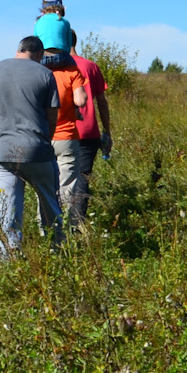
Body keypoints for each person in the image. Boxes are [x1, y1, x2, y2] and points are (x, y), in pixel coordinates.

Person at [0, 35, 64, 254]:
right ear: (40, 55)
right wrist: (45, 140)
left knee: (7, 215)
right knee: (51, 207)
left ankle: (8, 264)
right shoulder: (46, 74)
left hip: (1, 153)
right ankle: (58, 254)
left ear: (19, 50)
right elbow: (52, 118)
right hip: (37, 151)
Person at [60, 27, 113, 228]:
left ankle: (59, 227)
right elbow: (102, 102)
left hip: (61, 131)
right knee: (81, 180)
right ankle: (77, 227)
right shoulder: (91, 66)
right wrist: (107, 132)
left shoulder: (55, 67)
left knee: (59, 178)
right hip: (88, 132)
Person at [46, 35, 91, 226]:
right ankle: (68, 232)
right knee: (67, 187)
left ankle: (46, 229)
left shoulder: (40, 70)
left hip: (44, 136)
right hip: (66, 135)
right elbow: (80, 100)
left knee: (46, 187)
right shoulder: (72, 70)